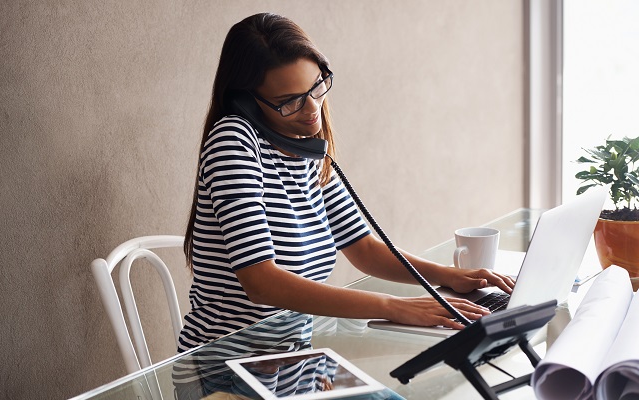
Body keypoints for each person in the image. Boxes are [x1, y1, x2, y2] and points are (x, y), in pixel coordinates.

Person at [178, 12, 515, 354]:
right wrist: (394, 306)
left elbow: (363, 248)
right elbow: (262, 283)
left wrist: (446, 275)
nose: (312, 109)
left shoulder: (304, 147)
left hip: (295, 360)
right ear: (247, 102)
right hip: (226, 367)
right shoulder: (233, 142)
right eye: (289, 101)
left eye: (316, 87)